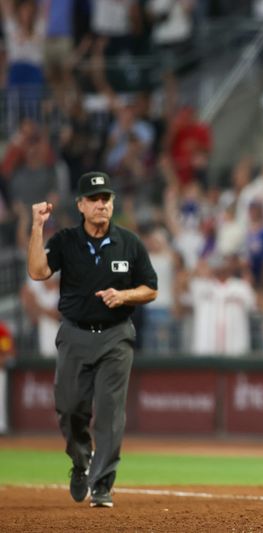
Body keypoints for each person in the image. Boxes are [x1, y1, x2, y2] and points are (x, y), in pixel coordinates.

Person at [26, 172, 158, 508]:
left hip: (115, 336)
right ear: (81, 205)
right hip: (74, 333)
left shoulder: (129, 243)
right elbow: (38, 272)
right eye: (95, 199)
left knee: (111, 412)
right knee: (70, 409)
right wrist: (37, 227)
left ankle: (102, 484)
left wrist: (125, 295)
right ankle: (81, 460)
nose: (102, 204)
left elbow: (151, 288)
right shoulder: (67, 240)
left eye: (107, 199)